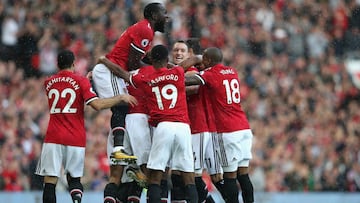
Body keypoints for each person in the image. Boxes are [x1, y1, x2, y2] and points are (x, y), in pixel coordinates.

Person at [35, 50, 138, 203]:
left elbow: (65, 87)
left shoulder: (48, 82)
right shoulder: (80, 82)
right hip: (75, 137)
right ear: (73, 63)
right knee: (74, 180)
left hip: (53, 137)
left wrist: (83, 81)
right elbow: (96, 105)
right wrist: (119, 97)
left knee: (50, 182)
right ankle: (76, 200)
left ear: (57, 64)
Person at [99, 44, 198, 203]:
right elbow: (189, 66)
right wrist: (200, 58)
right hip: (175, 125)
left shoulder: (143, 76)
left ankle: (136, 176)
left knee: (125, 175)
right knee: (182, 176)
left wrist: (104, 61)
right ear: (166, 59)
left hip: (130, 122)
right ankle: (139, 176)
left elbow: (120, 73)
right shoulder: (176, 72)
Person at [91, 3, 169, 203]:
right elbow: (133, 63)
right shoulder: (146, 32)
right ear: (153, 15)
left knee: (119, 176)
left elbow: (131, 62)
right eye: (163, 14)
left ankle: (121, 155)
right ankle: (120, 151)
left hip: (125, 123)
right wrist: (105, 62)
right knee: (153, 175)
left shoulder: (142, 33)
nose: (166, 18)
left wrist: (103, 63)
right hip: (138, 124)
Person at [184, 47, 255, 203]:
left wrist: (172, 72)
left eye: (204, 61)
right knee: (244, 176)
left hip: (227, 130)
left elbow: (187, 80)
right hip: (243, 127)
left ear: (208, 61)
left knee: (229, 177)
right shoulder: (232, 71)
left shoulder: (211, 74)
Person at [171, 40, 225, 203]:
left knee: (192, 176)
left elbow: (193, 86)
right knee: (178, 175)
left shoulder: (194, 70)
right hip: (184, 130)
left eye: (182, 51)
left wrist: (171, 82)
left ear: (190, 54)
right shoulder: (175, 71)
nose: (178, 54)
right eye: (175, 50)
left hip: (198, 128)